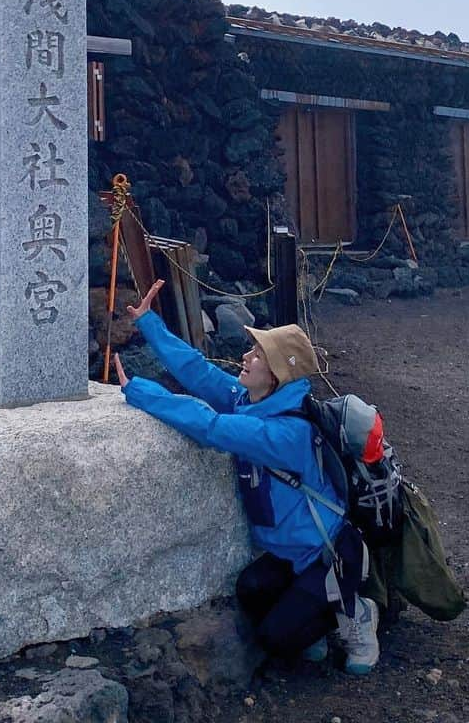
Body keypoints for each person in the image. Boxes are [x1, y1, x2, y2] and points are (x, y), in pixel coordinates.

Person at [114, 279, 380, 674]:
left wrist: (139, 391)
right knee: (250, 590)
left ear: (275, 376)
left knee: (276, 639)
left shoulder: (287, 433)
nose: (245, 356)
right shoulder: (251, 400)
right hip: (291, 555)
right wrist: (149, 322)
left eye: (257, 354)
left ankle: (355, 612)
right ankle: (313, 622)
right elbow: (199, 373)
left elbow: (210, 427)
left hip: (327, 554)